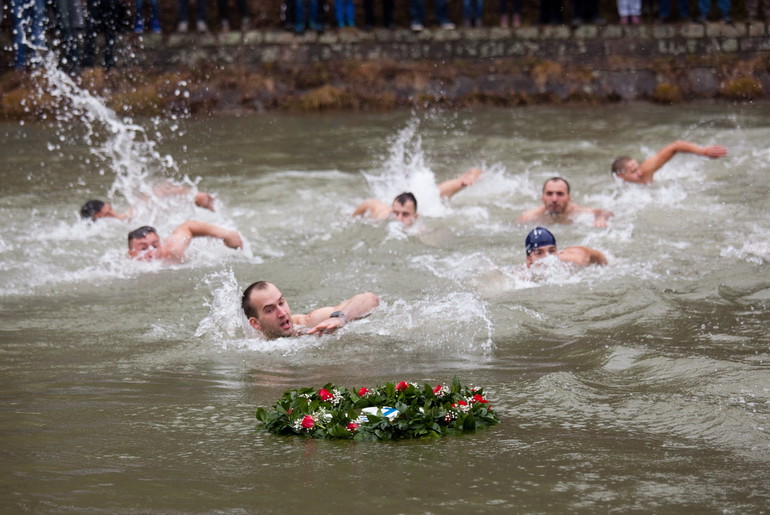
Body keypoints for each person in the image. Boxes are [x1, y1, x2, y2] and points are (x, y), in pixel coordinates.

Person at [241, 281, 380, 339]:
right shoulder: (247, 342)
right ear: (255, 324)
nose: (282, 313)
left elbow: (370, 299)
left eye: (281, 303)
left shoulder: (307, 324)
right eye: (270, 310)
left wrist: (340, 317)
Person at [352, 167, 483, 227]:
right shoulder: (383, 215)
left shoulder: (433, 195)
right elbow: (369, 203)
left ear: (416, 216)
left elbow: (477, 170)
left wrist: (472, 176)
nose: (398, 219)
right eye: (396, 213)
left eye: (405, 215)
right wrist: (351, 218)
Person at [611, 140, 728, 184]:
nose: (639, 173)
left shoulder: (646, 170)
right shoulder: (614, 186)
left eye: (638, 168)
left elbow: (675, 146)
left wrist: (703, 151)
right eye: (633, 171)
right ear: (620, 176)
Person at [517, 177, 614, 228]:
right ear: (542, 197)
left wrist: (600, 218)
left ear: (569, 198)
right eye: (549, 194)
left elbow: (606, 212)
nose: (554, 199)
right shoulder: (530, 217)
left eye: (560, 194)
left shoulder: (576, 212)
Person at [127, 221, 243, 261]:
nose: (151, 252)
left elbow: (188, 226)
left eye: (155, 246)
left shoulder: (171, 252)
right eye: (143, 248)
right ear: (132, 254)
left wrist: (226, 235)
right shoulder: (127, 268)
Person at [525, 226, 607, 268]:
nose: (548, 257)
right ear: (529, 260)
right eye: (539, 253)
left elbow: (596, 255)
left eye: (552, 251)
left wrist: (606, 264)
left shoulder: (574, 260)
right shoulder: (523, 277)